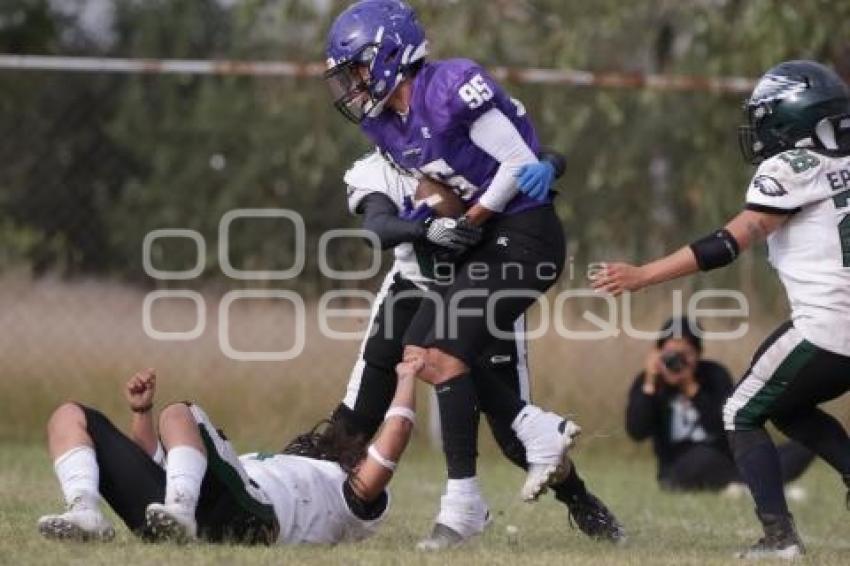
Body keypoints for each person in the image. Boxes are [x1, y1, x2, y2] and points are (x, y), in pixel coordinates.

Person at [324, 0, 583, 548]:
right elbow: (437, 184)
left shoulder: (449, 86)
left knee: (435, 350)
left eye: (359, 67)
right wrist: (433, 220)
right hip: (494, 242)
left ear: (390, 53)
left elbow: (517, 162)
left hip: (526, 238)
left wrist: (471, 219)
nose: (354, 83)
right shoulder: (387, 125)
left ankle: (496, 476)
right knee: (420, 351)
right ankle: (494, 473)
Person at [592, 60, 850, 559]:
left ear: (792, 117)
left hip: (829, 326)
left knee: (739, 411)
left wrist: (645, 274)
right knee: (787, 407)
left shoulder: (793, 167)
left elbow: (729, 243)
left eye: (767, 116)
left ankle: (779, 539)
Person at [319, 149, 623, 548]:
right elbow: (377, 227)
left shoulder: (459, 130)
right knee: (353, 422)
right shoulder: (378, 168)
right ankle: (306, 500)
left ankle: (578, 497)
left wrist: (546, 168)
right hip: (414, 288)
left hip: (481, 292)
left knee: (515, 441)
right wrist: (424, 230)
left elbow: (537, 153)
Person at [37, 364, 418, 545]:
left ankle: (182, 513)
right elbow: (151, 467)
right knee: (69, 416)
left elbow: (395, 434)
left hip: (255, 520)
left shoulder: (343, 489)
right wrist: (141, 413)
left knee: (180, 412)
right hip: (178, 512)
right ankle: (84, 508)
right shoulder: (264, 462)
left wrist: (406, 377)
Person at [626, 317, 813, 492]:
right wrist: (650, 384)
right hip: (678, 468)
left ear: (698, 354)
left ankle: (747, 484)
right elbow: (637, 432)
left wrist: (692, 389)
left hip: (726, 460)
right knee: (704, 457)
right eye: (671, 355)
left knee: (806, 443)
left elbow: (728, 428)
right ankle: (760, 485)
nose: (677, 362)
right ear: (658, 354)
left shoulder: (714, 375)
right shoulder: (649, 383)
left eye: (685, 355)